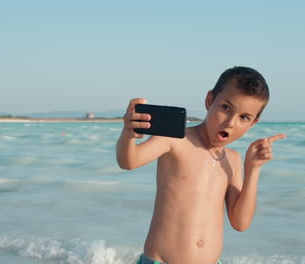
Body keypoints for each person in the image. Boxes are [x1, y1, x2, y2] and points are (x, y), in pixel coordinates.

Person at [116, 66, 286, 264]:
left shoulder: (233, 160)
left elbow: (241, 222)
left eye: (244, 117)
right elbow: (129, 161)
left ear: (253, 123)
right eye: (226, 107)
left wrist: (253, 169)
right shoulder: (176, 140)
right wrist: (128, 134)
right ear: (209, 100)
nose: (230, 122)